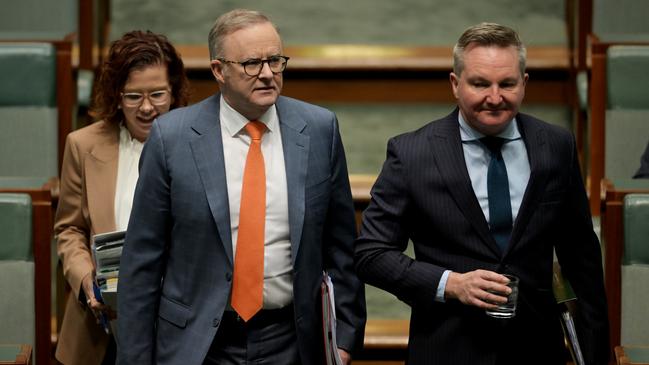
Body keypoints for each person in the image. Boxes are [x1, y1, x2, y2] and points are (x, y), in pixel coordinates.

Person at [117, 9, 366, 365]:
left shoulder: (318, 129)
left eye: (275, 61)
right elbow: (142, 261)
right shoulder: (171, 138)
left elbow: (341, 247)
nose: (267, 74)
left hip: (292, 340)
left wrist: (343, 339)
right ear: (219, 71)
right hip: (198, 344)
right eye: (251, 63)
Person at [354, 23, 609, 365]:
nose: (494, 97)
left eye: (507, 84)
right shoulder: (412, 153)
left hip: (535, 349)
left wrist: (596, 355)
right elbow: (372, 253)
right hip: (447, 347)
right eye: (479, 84)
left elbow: (582, 260)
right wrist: (451, 284)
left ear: (525, 83)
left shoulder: (556, 146)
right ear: (455, 85)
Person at [54, 30, 189, 365]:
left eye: (157, 94)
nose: (146, 108)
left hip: (178, 323)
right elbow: (69, 230)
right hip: (102, 327)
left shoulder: (198, 144)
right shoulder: (82, 145)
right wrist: (86, 280)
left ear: (174, 92)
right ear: (116, 96)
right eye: (132, 97)